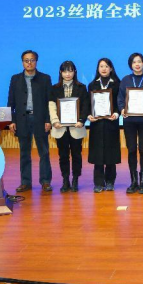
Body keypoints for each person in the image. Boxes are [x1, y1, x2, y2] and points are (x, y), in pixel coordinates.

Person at [8, 50, 53, 193]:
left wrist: (48, 120)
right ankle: (25, 182)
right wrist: (12, 120)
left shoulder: (45, 78)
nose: (29, 63)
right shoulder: (15, 79)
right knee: (24, 153)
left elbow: (49, 101)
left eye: (32, 60)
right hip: (22, 120)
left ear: (36, 62)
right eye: (26, 60)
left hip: (40, 119)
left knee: (44, 152)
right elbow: (11, 102)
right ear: (22, 62)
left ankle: (45, 181)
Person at [118, 53, 143, 195]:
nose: (137, 64)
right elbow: (120, 98)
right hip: (129, 121)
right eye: (134, 62)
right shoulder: (125, 80)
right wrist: (122, 109)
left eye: (139, 61)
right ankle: (133, 181)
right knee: (131, 150)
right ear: (131, 64)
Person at [48, 61, 91, 193]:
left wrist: (81, 120)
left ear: (74, 72)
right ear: (60, 72)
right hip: (60, 128)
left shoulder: (81, 87)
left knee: (77, 155)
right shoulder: (54, 88)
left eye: (70, 71)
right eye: (65, 71)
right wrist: (55, 121)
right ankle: (65, 180)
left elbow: (85, 105)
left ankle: (75, 179)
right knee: (63, 156)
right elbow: (51, 106)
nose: (67, 74)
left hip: (76, 127)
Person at [87, 58, 121, 193]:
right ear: (98, 69)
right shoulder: (92, 85)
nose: (104, 69)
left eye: (106, 66)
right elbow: (88, 104)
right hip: (97, 124)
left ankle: (110, 181)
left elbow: (120, 102)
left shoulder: (118, 84)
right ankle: (98, 183)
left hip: (111, 123)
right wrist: (89, 115)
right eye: (101, 66)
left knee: (111, 154)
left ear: (111, 68)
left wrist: (117, 114)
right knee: (98, 154)